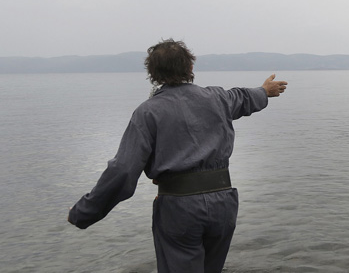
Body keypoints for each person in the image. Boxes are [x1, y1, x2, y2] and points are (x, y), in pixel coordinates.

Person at [67, 39, 288, 273]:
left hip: (180, 208)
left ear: (153, 74)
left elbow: (123, 169)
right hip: (224, 204)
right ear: (190, 67)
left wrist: (84, 212)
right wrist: (265, 91)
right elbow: (243, 97)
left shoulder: (148, 112)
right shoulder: (218, 98)